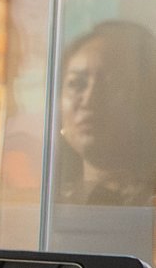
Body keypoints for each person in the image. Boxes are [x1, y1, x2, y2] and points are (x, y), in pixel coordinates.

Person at [54, 19, 156, 206]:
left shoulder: (149, 210)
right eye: (76, 84)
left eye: (113, 84)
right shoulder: (49, 204)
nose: (89, 101)